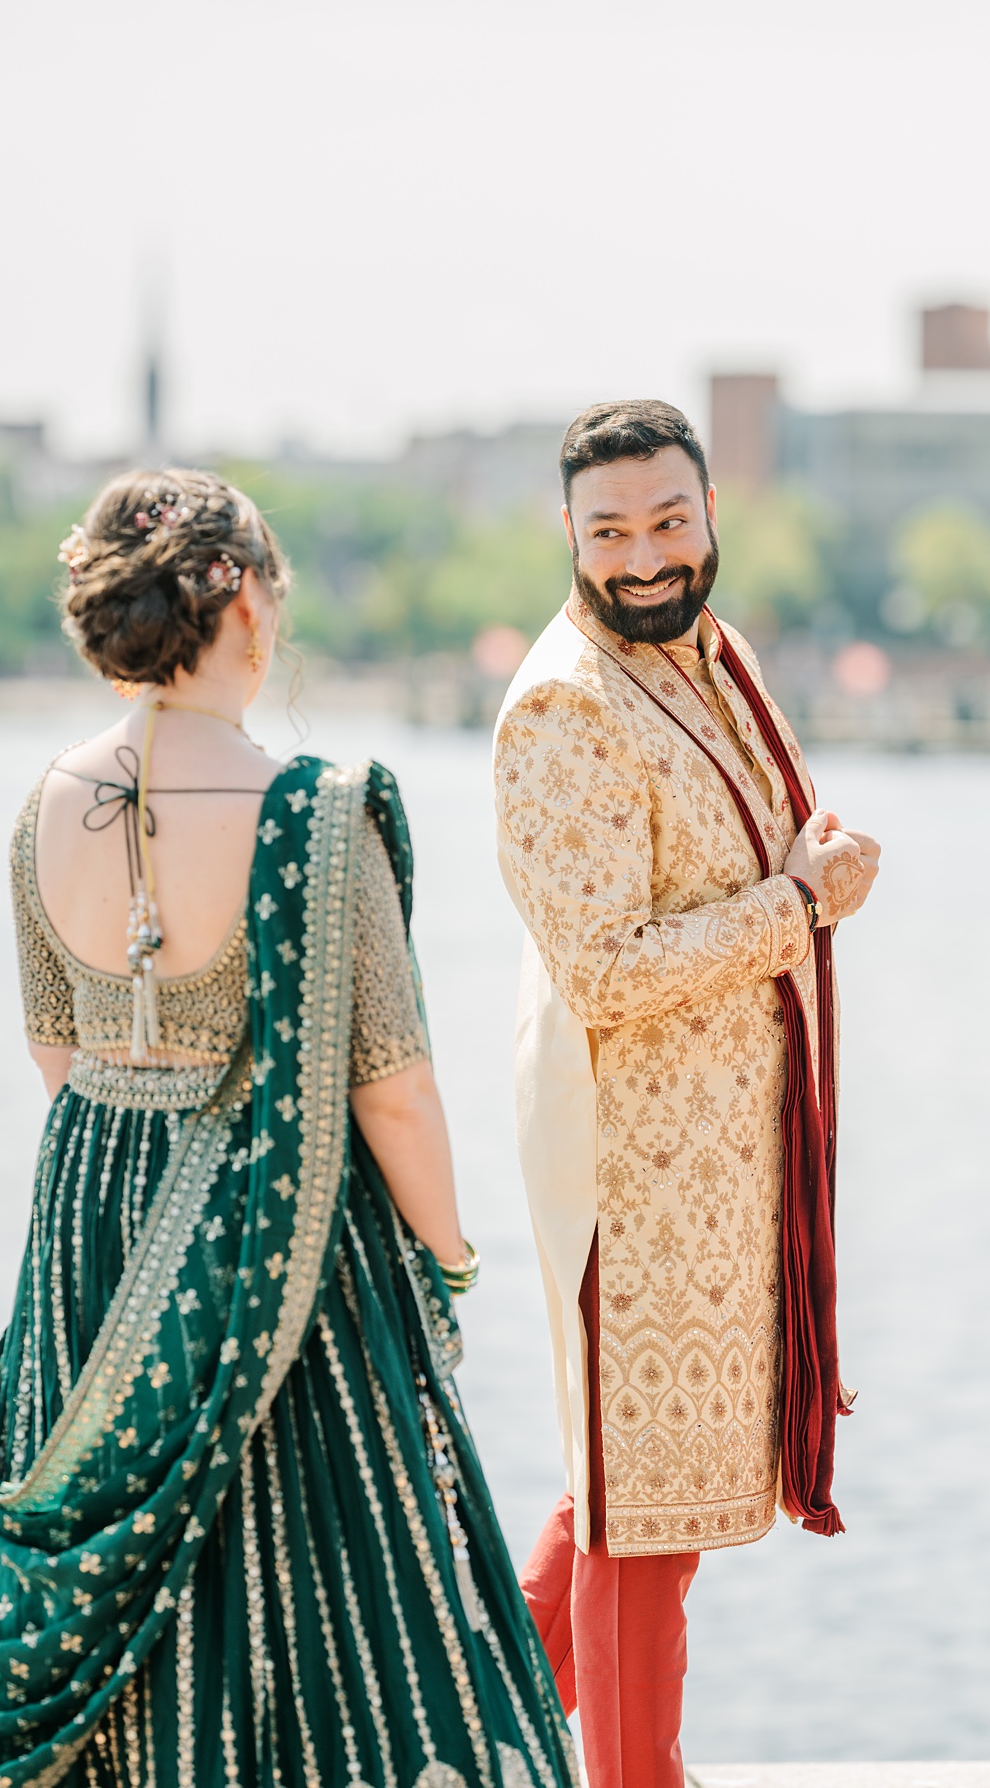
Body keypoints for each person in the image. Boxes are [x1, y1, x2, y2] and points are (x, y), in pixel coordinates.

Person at [0, 470, 573, 1788]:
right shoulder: (315, 812)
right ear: (243, 598)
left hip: (87, 1220)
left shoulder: (41, 807)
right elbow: (392, 1087)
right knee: (322, 1573)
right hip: (281, 1231)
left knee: (102, 1562)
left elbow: (53, 1048)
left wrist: (136, 1159)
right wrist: (451, 1259)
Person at [492, 402, 881, 1788]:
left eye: (668, 521)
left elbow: (750, 851)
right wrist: (799, 903)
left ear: (711, 513)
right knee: (638, 1509)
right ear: (571, 537)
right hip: (631, 1155)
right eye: (613, 533)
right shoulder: (560, 706)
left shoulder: (717, 653)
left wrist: (812, 855)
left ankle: (469, 1738)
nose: (645, 556)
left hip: (731, 1144)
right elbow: (602, 970)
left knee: (640, 1476)